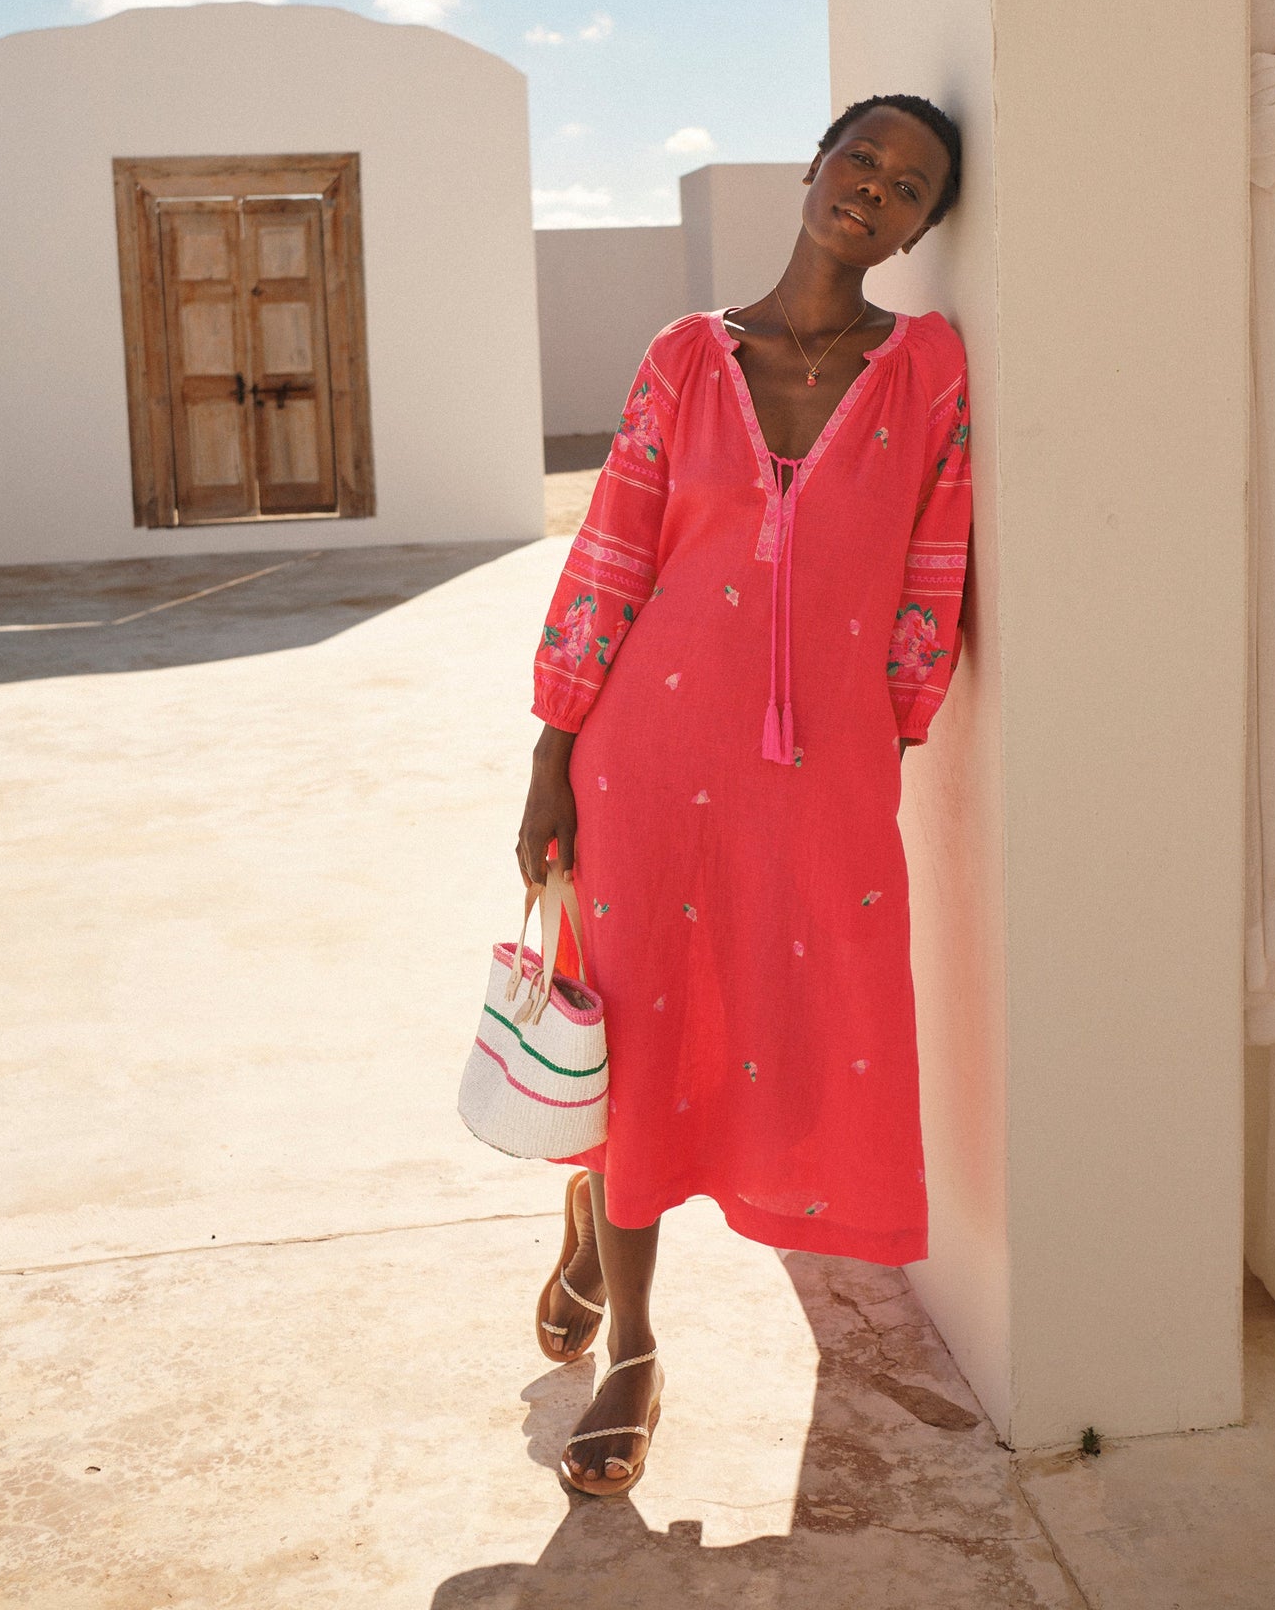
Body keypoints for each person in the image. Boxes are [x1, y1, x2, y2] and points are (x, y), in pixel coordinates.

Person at [517, 94, 972, 1498]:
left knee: (784, 1020)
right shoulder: (684, 357)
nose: (876, 191)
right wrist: (551, 750)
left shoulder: (928, 369)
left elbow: (934, 567)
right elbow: (614, 548)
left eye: (911, 188)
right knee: (641, 1030)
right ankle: (639, 1348)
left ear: (920, 231)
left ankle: (594, 1210)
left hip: (819, 771)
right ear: (813, 171)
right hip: (648, 759)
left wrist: (885, 738)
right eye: (862, 161)